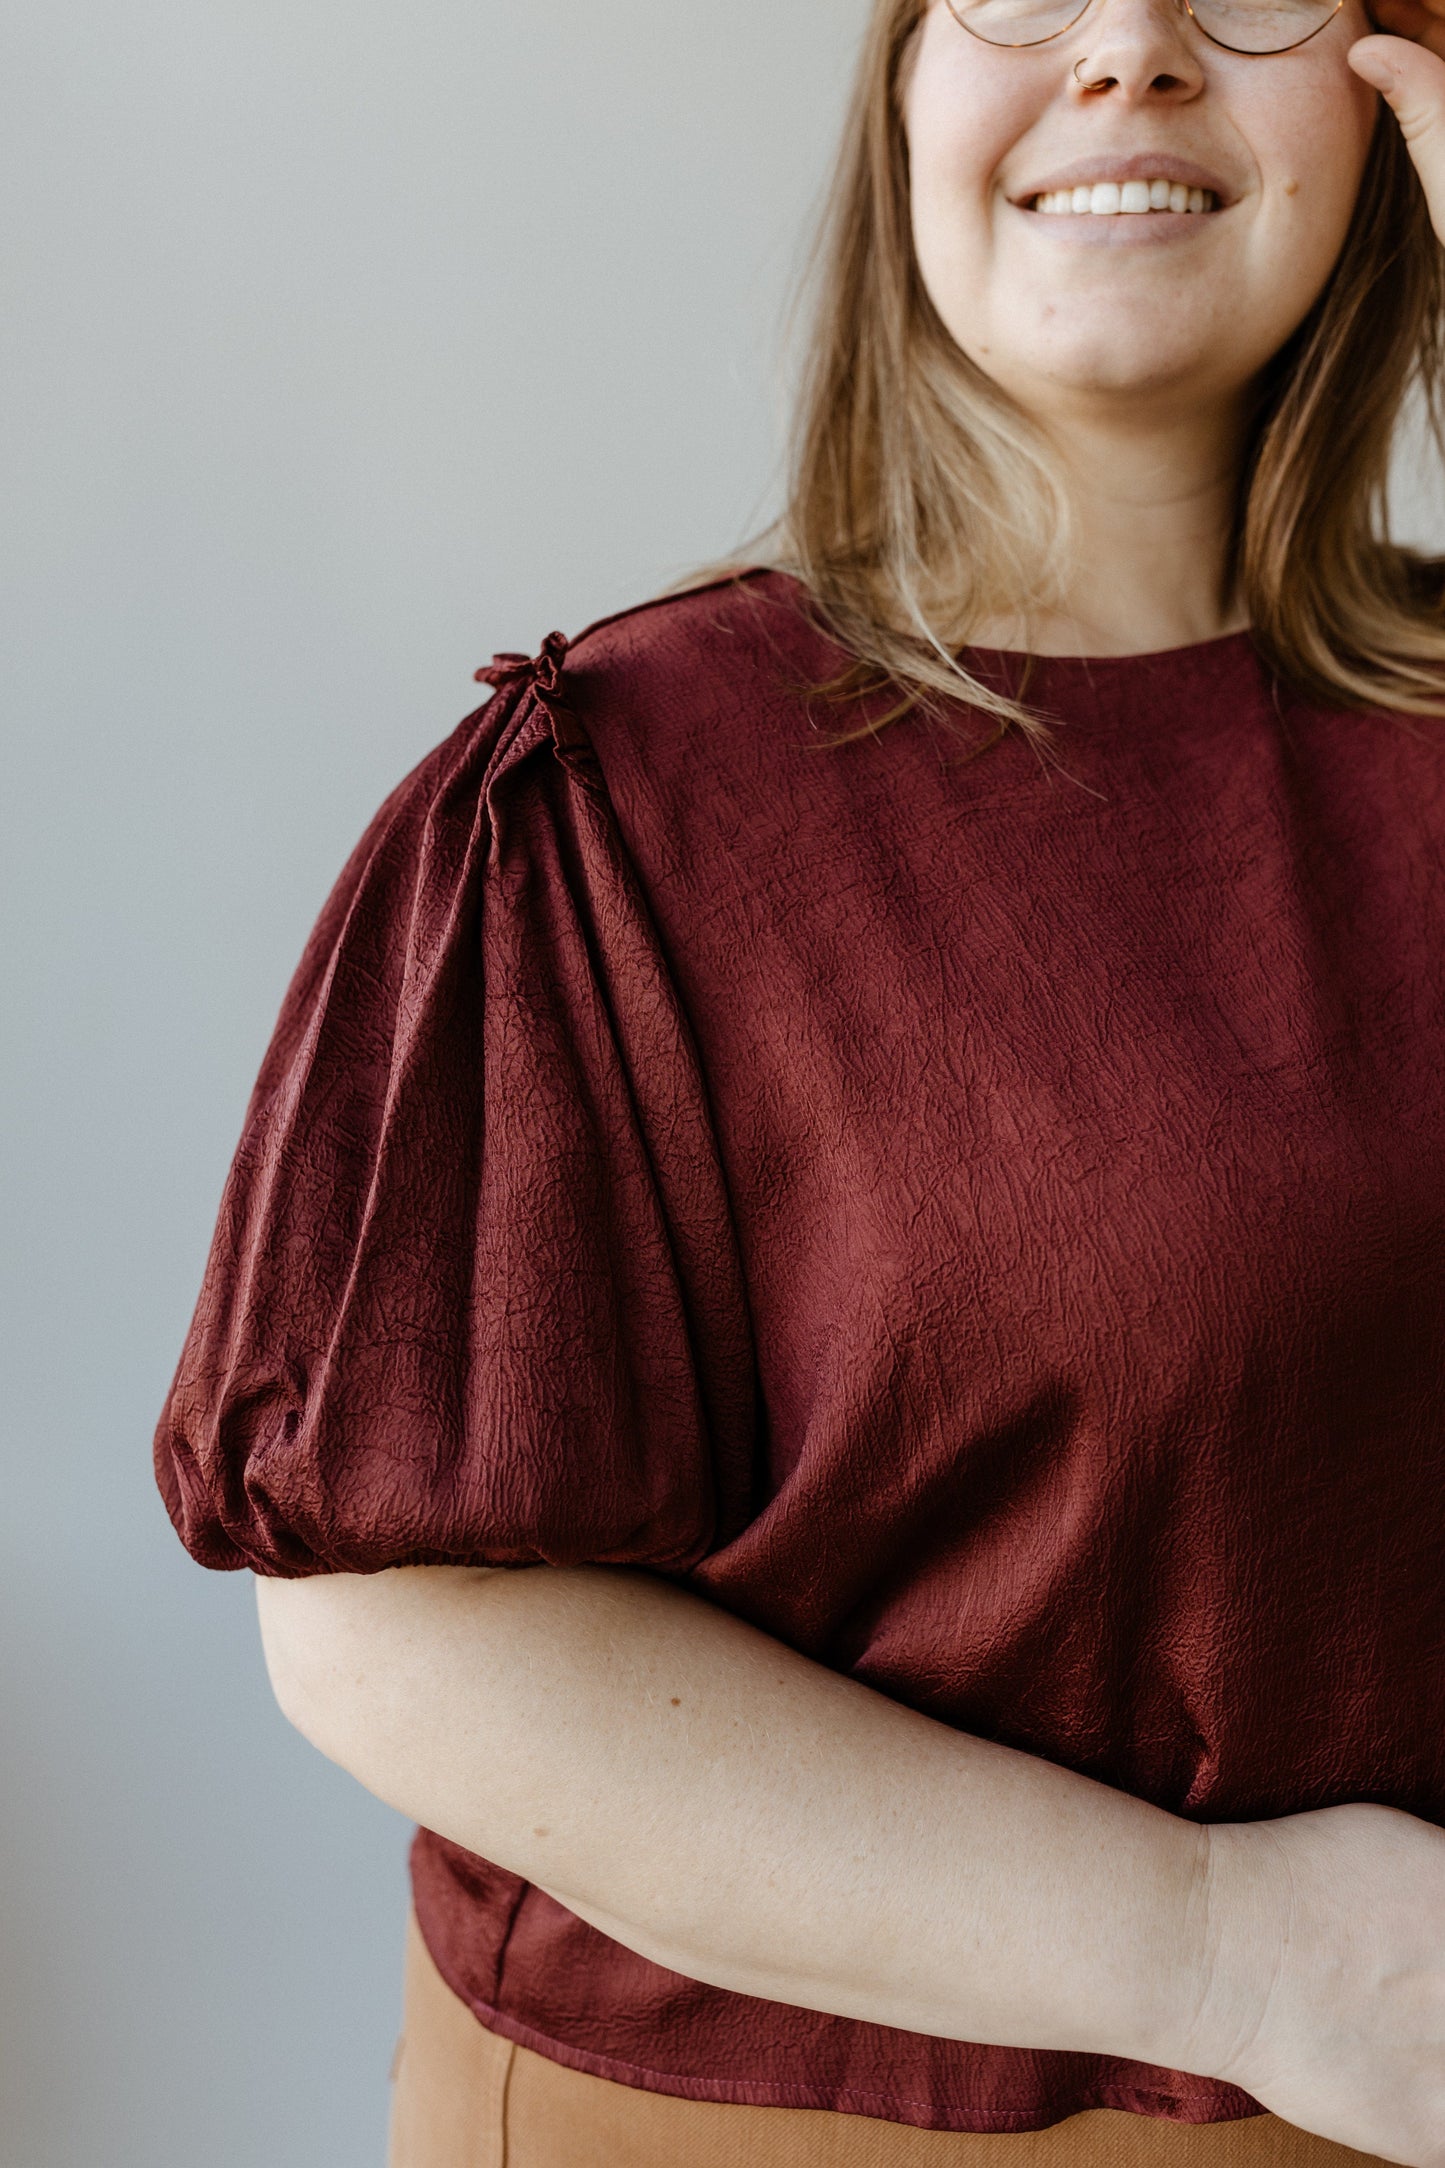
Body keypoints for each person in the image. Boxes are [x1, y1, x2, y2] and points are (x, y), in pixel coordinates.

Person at [152, 0, 1445, 2161]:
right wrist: (1230, 1946)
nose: (1130, 53)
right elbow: (389, 1625)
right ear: (903, 95)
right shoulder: (619, 793)